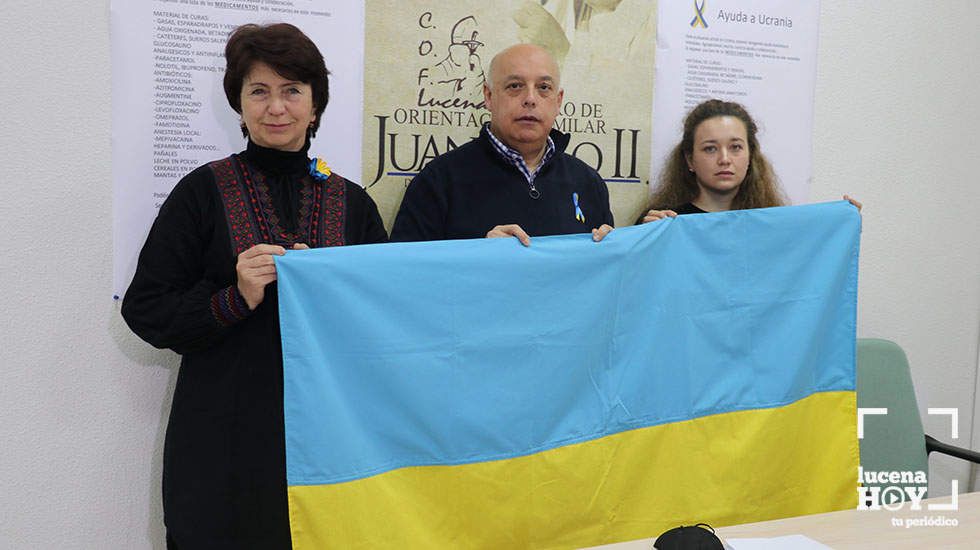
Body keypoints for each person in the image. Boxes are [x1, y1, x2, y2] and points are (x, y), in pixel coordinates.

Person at [122, 23, 387, 549]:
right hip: (223, 436)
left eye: (292, 91)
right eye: (258, 91)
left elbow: (389, 314)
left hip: (331, 435)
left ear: (316, 105)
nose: (276, 108)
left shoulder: (353, 204)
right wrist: (234, 297)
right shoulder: (201, 191)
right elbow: (145, 309)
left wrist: (331, 287)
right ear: (238, 105)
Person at [390, 43, 614, 246]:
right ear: (488, 96)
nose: (530, 99)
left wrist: (608, 253)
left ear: (559, 100)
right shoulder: (439, 181)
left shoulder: (588, 182)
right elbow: (405, 274)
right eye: (515, 86)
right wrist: (479, 255)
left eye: (543, 87)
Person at [637, 99, 860, 224]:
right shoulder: (662, 222)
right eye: (710, 149)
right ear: (690, 159)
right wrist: (646, 240)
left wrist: (842, 225)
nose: (724, 159)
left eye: (735, 147)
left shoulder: (773, 224)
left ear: (750, 155)